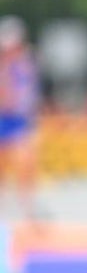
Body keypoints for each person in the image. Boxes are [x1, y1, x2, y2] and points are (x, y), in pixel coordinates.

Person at [0, 16, 39, 221]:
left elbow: (24, 98)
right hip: (4, 119)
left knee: (25, 164)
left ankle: (27, 209)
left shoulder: (25, 65)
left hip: (18, 120)